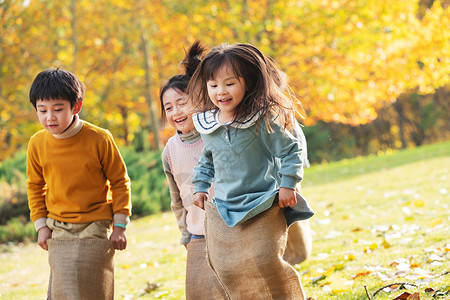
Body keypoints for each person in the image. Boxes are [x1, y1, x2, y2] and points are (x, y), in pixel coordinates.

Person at [188, 43, 314, 299]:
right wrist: (200, 186)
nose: (221, 92)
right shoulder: (210, 125)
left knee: (264, 258)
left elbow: (291, 151)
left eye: (230, 83)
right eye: (213, 85)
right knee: (230, 267)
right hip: (227, 205)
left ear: (248, 83)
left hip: (265, 202)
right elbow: (206, 161)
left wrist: (288, 184)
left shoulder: (261, 120)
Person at [26, 68, 132, 300]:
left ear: (76, 107)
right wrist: (41, 225)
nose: (49, 117)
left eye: (57, 109)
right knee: (63, 288)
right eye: (42, 110)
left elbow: (119, 182)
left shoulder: (100, 138)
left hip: (95, 224)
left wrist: (120, 225)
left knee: (92, 287)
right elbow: (35, 186)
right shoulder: (37, 143)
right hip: (59, 227)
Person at [160, 42, 227, 300]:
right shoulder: (170, 151)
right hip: (198, 234)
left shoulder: (217, 135)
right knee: (201, 293)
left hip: (231, 227)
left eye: (182, 102)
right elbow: (177, 199)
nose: (176, 111)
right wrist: (186, 235)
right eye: (168, 107)